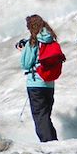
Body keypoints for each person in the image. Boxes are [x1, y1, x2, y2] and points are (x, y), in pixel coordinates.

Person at [18, 14, 59, 142]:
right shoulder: (51, 39)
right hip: (49, 83)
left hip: (35, 82)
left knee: (40, 116)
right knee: (45, 115)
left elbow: (26, 64)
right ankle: (53, 140)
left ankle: (48, 143)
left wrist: (23, 51)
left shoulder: (34, 41)